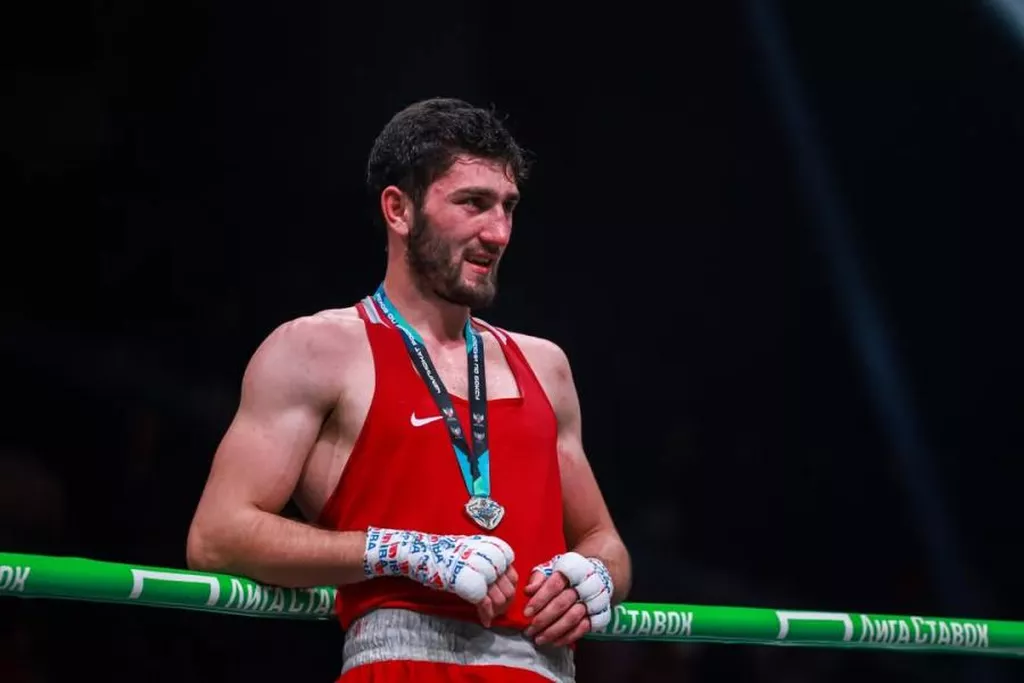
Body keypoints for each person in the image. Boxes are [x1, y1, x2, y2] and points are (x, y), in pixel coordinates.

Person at [186, 97, 631, 682]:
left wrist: (595, 576)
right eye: (473, 203)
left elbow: (603, 540)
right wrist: (400, 552)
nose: (498, 233)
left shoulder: (544, 365)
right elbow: (217, 536)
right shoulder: (317, 349)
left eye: (508, 207)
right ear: (398, 210)